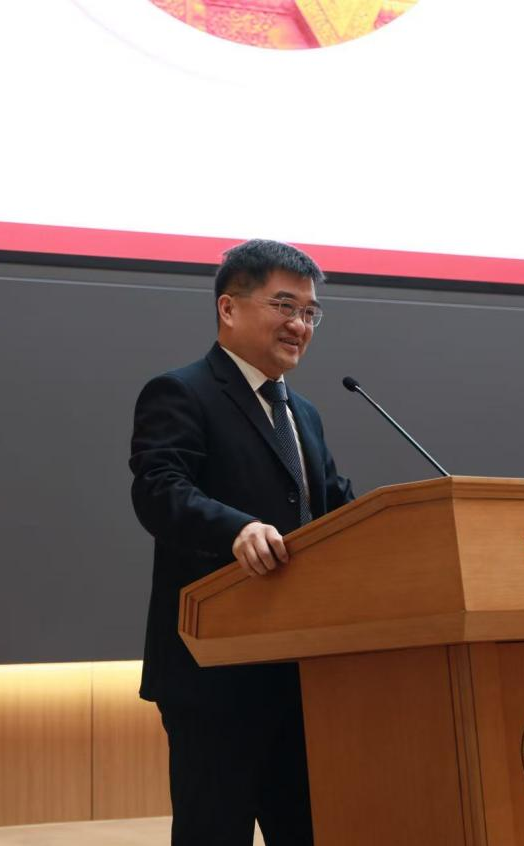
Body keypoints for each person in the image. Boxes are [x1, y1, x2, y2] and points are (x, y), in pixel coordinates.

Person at [129, 239, 354, 845]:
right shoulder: (181, 392)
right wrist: (237, 530)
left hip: (300, 673)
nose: (300, 325)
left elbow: (338, 510)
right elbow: (159, 491)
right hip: (215, 673)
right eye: (285, 306)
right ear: (228, 308)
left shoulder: (304, 414)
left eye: (310, 312)